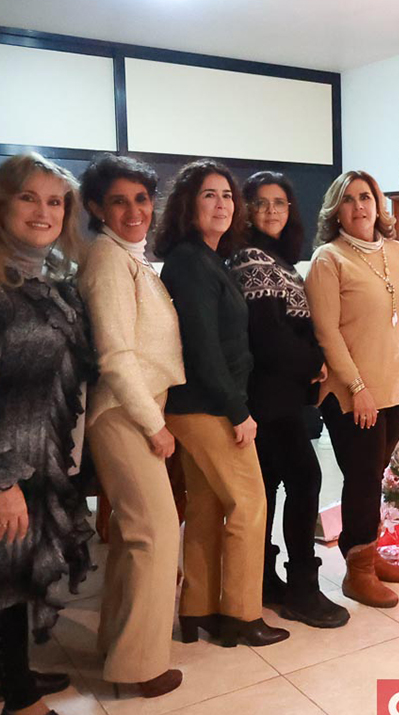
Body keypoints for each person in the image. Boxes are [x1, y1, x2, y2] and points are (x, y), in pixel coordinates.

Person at [0, 152, 95, 715]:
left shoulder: (46, 276)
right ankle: (20, 700)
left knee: (17, 568)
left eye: (56, 201)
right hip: (1, 456)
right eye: (29, 197)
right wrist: (1, 483)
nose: (44, 211)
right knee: (5, 575)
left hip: (41, 449)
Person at [154, 160, 289, 648]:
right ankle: (241, 614)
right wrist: (237, 410)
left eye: (227, 195)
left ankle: (199, 610)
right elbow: (203, 348)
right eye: (209, 195)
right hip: (206, 405)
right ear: (188, 205)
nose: (222, 204)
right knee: (250, 503)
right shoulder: (191, 262)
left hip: (198, 403)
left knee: (208, 507)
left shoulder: (208, 259)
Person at [78, 154, 184, 697]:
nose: (134, 210)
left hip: (137, 407)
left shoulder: (128, 258)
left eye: (141, 198)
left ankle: (118, 647)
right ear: (97, 207)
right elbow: (115, 356)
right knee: (156, 534)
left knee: (132, 535)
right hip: (125, 412)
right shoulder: (107, 260)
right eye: (118, 201)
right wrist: (153, 424)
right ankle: (140, 665)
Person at [231, 171, 349, 628]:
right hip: (268, 397)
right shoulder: (252, 259)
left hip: (280, 396)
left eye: (279, 202)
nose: (271, 210)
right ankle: (302, 589)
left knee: (273, 486)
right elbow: (268, 337)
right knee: (304, 479)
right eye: (260, 202)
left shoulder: (276, 257)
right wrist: (316, 361)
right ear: (246, 210)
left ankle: (263, 581)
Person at [304, 170, 399, 609]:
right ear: (336, 210)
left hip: (393, 389)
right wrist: (358, 387)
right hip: (351, 393)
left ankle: (369, 552)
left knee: (374, 476)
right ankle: (357, 571)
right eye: (349, 199)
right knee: (362, 478)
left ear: (377, 204)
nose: (359, 206)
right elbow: (326, 331)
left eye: (366, 197)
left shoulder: (397, 251)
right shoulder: (328, 259)